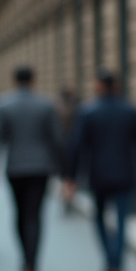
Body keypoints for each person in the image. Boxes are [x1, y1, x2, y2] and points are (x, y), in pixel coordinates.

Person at [63, 69, 136, 271]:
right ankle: (117, 264)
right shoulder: (130, 110)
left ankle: (110, 260)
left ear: (99, 86)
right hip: (124, 173)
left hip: (99, 174)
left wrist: (70, 177)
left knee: (100, 219)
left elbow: (76, 146)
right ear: (117, 86)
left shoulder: (88, 112)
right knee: (122, 221)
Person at [0, 67, 62, 271]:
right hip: (40, 168)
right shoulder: (46, 105)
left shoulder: (3, 104)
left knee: (20, 214)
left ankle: (26, 260)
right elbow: (56, 139)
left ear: (13, 80)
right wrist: (64, 171)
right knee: (34, 216)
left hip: (16, 168)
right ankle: (32, 264)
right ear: (34, 80)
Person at [56, 86, 80, 214]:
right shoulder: (77, 110)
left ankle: (66, 197)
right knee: (72, 175)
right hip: (73, 147)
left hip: (62, 148)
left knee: (65, 176)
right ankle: (69, 198)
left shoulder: (58, 110)